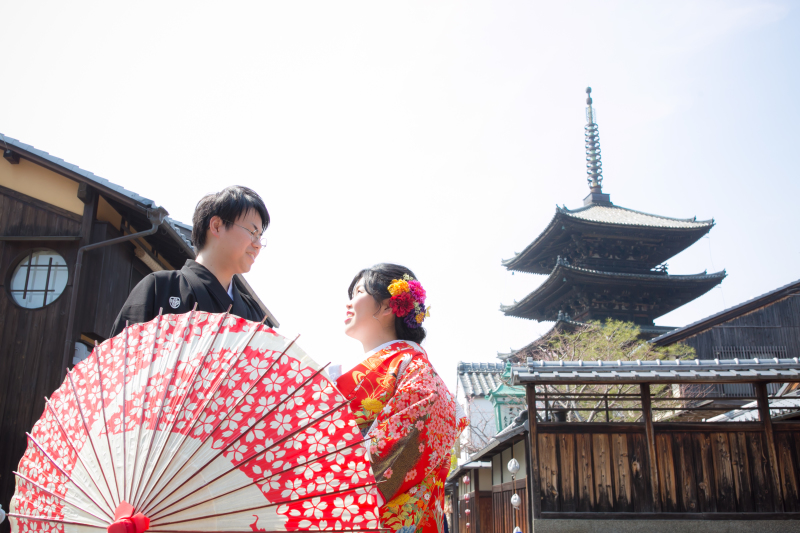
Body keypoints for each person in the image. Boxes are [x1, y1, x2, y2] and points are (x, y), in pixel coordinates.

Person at [335, 264, 467, 533]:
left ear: (387, 307)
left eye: (358, 292)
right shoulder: (396, 368)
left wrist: (331, 473)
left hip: (376, 516)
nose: (348, 303)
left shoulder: (417, 373)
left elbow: (404, 447)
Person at [109, 186, 268, 337]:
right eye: (252, 232)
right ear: (217, 226)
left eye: (260, 237)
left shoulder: (255, 316)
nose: (258, 244)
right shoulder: (160, 289)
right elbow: (124, 352)